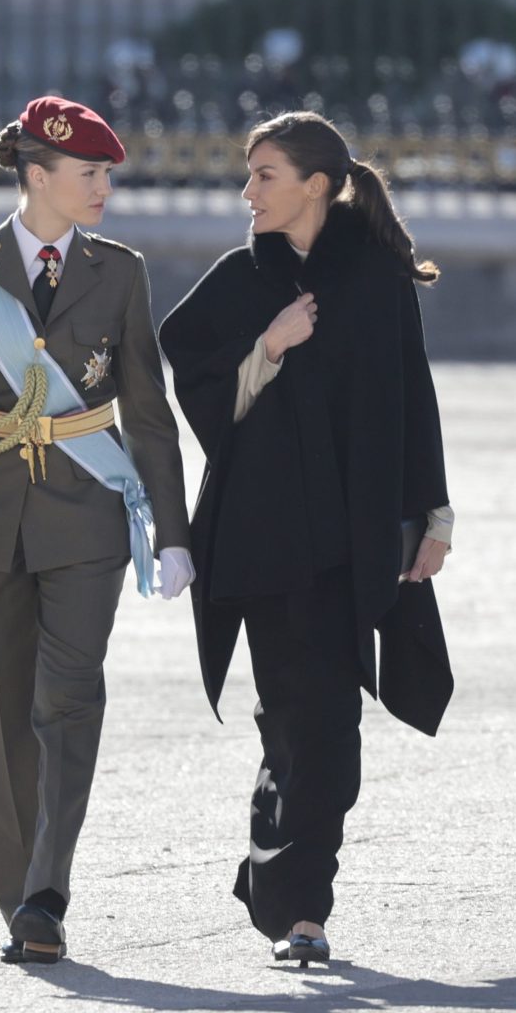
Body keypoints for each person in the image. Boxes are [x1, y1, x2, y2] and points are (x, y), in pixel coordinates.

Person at [0, 95, 194, 964]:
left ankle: (45, 893)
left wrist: (172, 531)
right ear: (38, 176)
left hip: (86, 520)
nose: (104, 187)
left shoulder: (121, 270)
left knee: (66, 703)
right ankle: (17, 888)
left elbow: (147, 408)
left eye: (107, 173)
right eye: (90, 173)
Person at [159, 111, 454, 966]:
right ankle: (297, 903)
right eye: (248, 175)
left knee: (327, 725)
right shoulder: (237, 279)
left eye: (265, 175)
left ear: (316, 184)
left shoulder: (376, 275)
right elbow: (201, 382)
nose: (247, 192)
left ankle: (286, 886)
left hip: (353, 540)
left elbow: (413, 397)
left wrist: (431, 519)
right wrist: (269, 345)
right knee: (297, 717)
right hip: (262, 539)